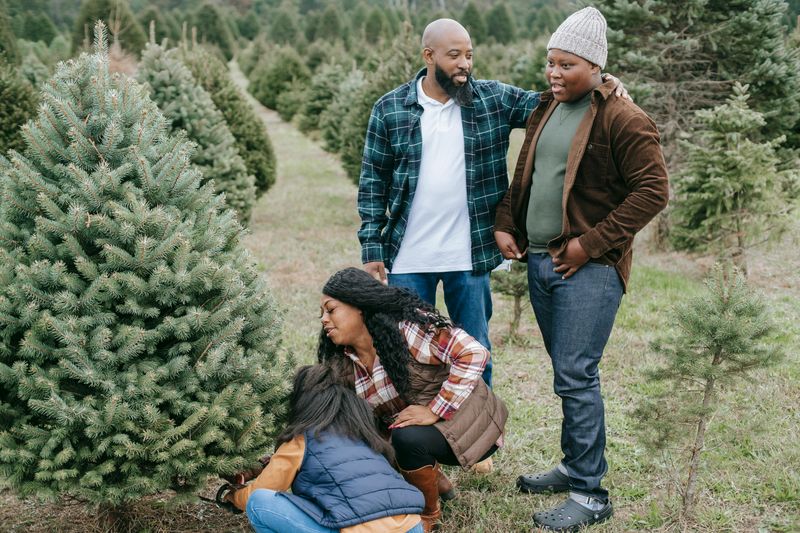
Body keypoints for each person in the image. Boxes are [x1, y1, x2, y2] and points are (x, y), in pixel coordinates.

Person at [357, 19, 626, 389]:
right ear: (428, 55)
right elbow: (372, 183)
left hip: (469, 256)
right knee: (409, 352)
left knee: (475, 351)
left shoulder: (492, 99)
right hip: (407, 257)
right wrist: (372, 249)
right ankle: (419, 438)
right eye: (454, 56)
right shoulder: (390, 109)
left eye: (469, 55)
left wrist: (603, 81)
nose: (464, 64)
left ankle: (478, 437)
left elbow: (554, 101)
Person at [494, 7, 669, 531]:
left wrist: (589, 246)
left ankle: (591, 493)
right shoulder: (548, 106)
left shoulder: (624, 117)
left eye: (566, 64)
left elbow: (654, 192)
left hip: (585, 270)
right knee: (566, 375)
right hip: (543, 260)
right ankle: (572, 466)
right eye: (550, 62)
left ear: (595, 67)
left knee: (576, 374)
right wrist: (508, 220)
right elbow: (528, 172)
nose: (553, 73)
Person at [317, 267, 507, 532]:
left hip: (473, 426)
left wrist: (435, 410)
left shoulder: (409, 329)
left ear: (359, 306)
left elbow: (474, 354)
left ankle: (429, 514)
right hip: (424, 434)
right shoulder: (347, 362)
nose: (324, 319)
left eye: (331, 309)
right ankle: (435, 480)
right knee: (364, 437)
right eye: (322, 313)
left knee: (407, 438)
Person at [225, 364, 425, 533]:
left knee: (259, 502)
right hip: (412, 525)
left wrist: (234, 496)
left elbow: (262, 489)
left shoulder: (302, 439)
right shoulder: (363, 433)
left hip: (359, 528)